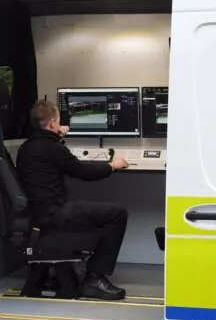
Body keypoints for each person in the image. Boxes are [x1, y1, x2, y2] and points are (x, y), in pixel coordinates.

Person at [15, 99, 130, 300]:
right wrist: (113, 165)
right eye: (58, 121)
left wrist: (57, 136)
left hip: (40, 213)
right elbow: (83, 172)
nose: (61, 125)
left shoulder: (26, 148)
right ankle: (94, 279)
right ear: (51, 123)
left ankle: (93, 274)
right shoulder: (53, 149)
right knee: (117, 215)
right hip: (55, 214)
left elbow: (52, 160)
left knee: (101, 212)